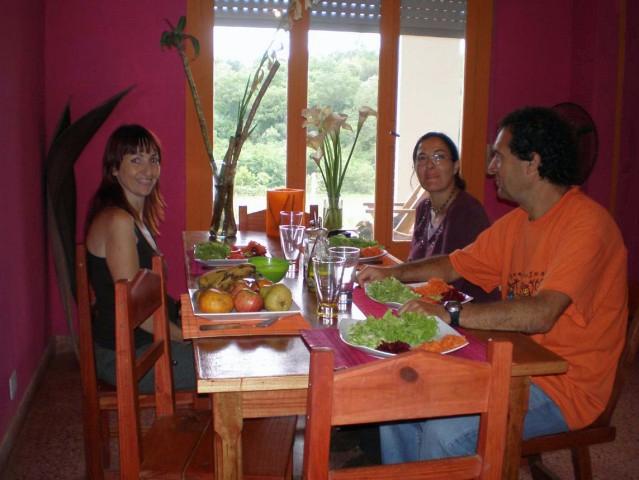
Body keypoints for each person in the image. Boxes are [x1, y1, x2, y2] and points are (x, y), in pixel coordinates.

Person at [358, 107, 628, 463]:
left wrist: (449, 312)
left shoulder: (587, 226)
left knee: (443, 434)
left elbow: (541, 315)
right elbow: (453, 263)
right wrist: (393, 273)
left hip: (564, 385)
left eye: (499, 158)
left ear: (532, 162)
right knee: (398, 394)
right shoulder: (517, 223)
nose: (490, 169)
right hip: (507, 360)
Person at [85, 124, 195, 392]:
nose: (148, 170)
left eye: (153, 160)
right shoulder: (118, 221)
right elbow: (135, 309)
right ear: (114, 168)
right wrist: (185, 337)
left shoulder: (136, 219)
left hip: (145, 342)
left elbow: (152, 297)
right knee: (229, 365)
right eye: (136, 160)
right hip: (127, 356)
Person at [408, 132, 497, 302]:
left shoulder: (468, 211)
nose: (429, 166)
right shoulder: (423, 208)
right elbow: (415, 264)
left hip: (468, 312)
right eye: (422, 158)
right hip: (428, 305)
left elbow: (458, 279)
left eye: (439, 157)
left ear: (455, 166)